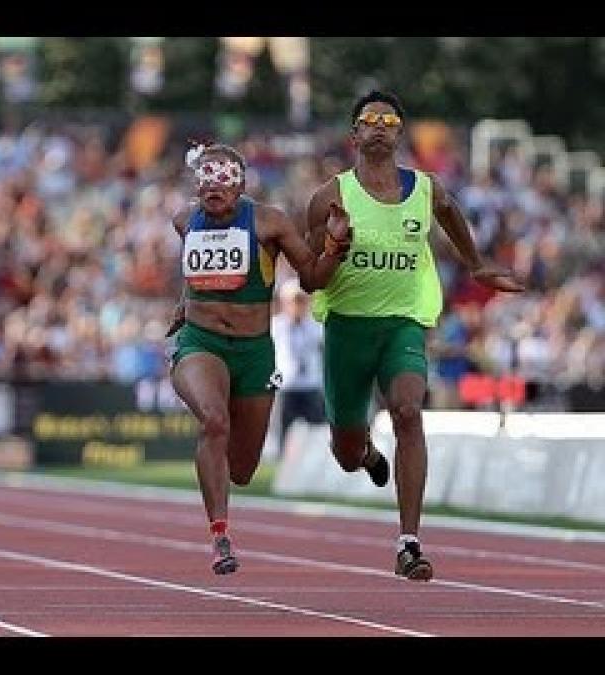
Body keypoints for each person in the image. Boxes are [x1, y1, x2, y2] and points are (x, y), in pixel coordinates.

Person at [303, 90, 525, 581]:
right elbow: (308, 280)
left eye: (389, 120)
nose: (380, 126)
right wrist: (335, 248)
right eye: (369, 119)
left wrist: (476, 265)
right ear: (354, 133)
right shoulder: (329, 197)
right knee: (344, 452)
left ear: (400, 133)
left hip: (403, 322)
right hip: (346, 327)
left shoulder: (426, 189)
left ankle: (409, 542)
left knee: (407, 411)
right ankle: (365, 454)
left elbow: (449, 215)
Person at [167, 141, 351, 575]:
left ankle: (221, 478)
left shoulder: (269, 222)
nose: (213, 196)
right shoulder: (183, 220)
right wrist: (184, 304)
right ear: (197, 189)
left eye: (222, 188)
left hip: (254, 352)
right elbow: (196, 275)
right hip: (200, 344)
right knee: (214, 420)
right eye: (205, 189)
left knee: (245, 468)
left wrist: (335, 248)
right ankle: (220, 535)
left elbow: (312, 280)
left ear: (241, 187)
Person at [269, 278, 326, 456]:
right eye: (294, 300)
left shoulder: (317, 327)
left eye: (301, 300)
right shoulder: (275, 326)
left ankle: (316, 458)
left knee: (317, 429)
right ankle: (282, 459)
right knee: (283, 427)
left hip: (311, 384)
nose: (297, 305)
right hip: (286, 384)